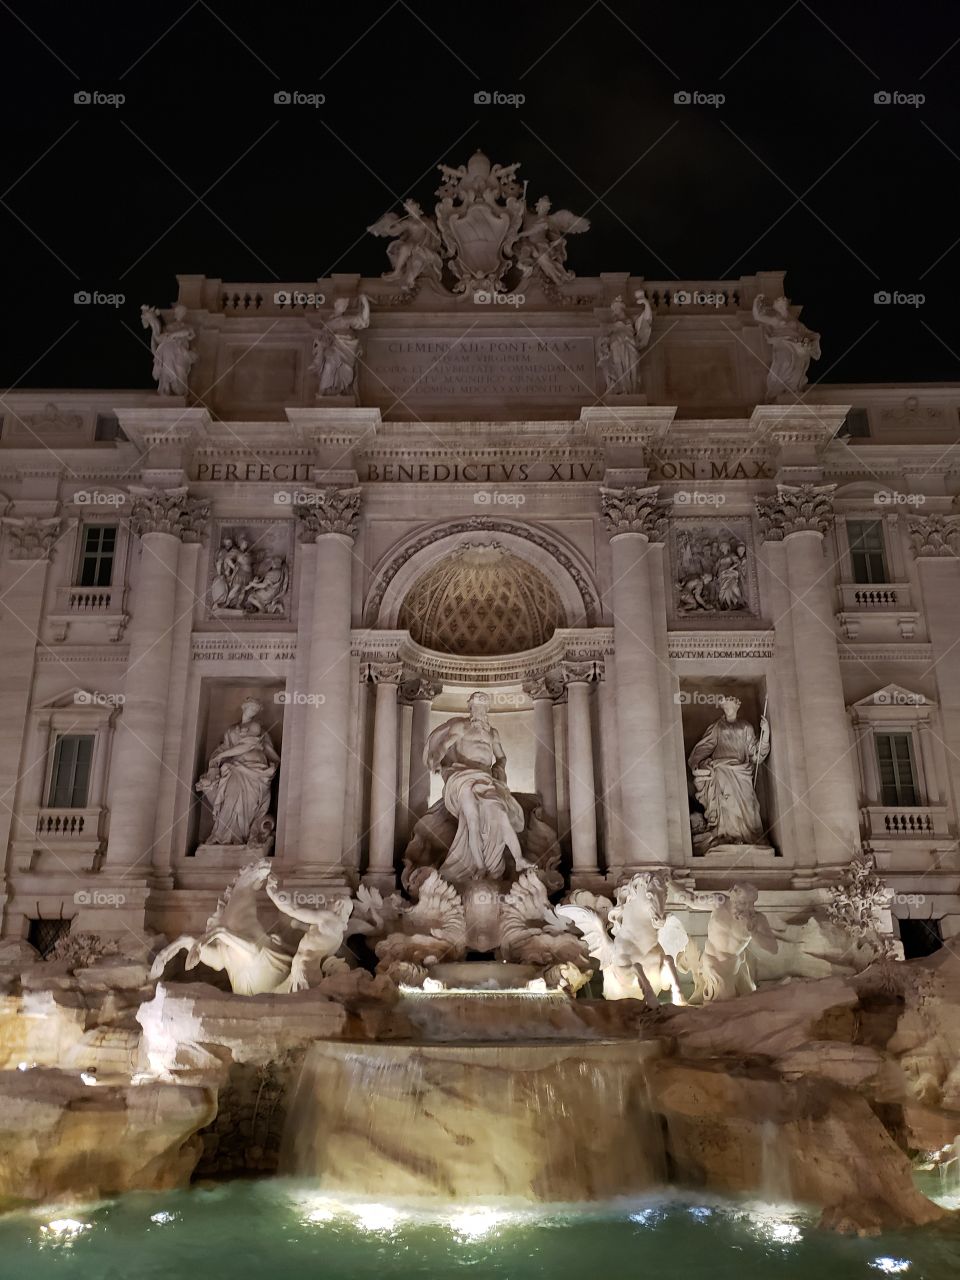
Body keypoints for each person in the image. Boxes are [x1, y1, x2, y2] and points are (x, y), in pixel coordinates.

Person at [424, 690, 531, 880]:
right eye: (476, 706)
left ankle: (519, 858)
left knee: (501, 815)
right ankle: (480, 867)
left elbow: (501, 756)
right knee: (471, 820)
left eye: (483, 707)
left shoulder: (493, 733)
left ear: (487, 709)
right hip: (463, 775)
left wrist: (499, 768)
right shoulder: (461, 726)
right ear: (470, 707)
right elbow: (445, 745)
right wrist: (438, 761)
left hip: (486, 778)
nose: (479, 711)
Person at [688, 696, 769, 846]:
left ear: (737, 708)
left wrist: (765, 735)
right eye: (725, 707)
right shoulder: (717, 727)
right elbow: (704, 747)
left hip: (742, 772)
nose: (727, 710)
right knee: (726, 804)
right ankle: (728, 835)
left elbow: (756, 756)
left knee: (749, 806)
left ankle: (747, 836)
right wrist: (696, 764)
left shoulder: (746, 727)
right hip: (721, 770)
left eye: (730, 707)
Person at [196, 699, 280, 845]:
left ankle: (242, 836)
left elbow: (249, 747)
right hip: (234, 770)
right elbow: (224, 747)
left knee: (249, 804)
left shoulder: (256, 727)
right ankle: (222, 835)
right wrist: (215, 759)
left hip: (254, 771)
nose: (253, 712)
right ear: (244, 708)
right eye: (251, 708)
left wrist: (222, 756)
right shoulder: (231, 730)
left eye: (255, 710)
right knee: (231, 797)